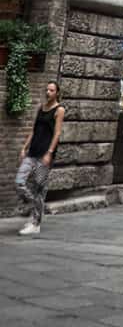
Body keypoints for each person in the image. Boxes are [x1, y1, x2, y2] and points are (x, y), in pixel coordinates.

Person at [15, 80, 65, 236]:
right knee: (19, 182)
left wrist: (49, 153)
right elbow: (34, 130)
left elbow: (57, 133)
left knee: (39, 188)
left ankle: (36, 223)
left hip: (44, 155)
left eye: (51, 90)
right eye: (47, 90)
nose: (48, 92)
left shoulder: (59, 110)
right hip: (32, 153)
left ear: (57, 93)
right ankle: (36, 208)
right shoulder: (41, 108)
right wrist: (24, 147)